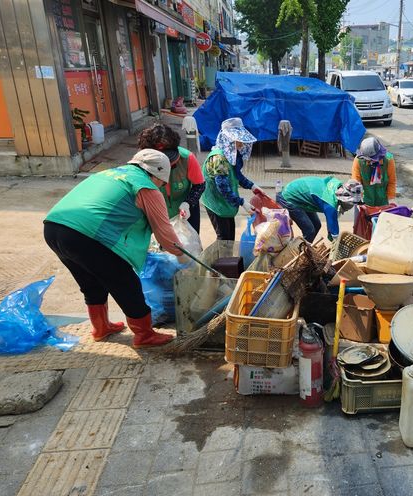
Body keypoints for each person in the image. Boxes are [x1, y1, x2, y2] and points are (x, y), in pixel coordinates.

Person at [43, 150, 187, 348]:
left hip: (53, 228)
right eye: (162, 182)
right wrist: (183, 255)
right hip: (86, 235)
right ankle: (144, 335)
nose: (161, 186)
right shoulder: (146, 187)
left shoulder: (110, 173)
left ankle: (101, 328)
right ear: (158, 174)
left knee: (90, 281)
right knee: (126, 283)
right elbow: (165, 234)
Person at [201, 118, 266, 241]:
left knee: (230, 236)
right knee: (224, 238)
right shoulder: (218, 159)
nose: (241, 144)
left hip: (226, 201)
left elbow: (236, 175)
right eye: (238, 140)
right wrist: (243, 203)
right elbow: (224, 189)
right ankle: (220, 259)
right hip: (215, 201)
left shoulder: (231, 155)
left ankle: (228, 258)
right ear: (228, 139)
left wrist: (252, 186)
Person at [137, 124, 205, 233]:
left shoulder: (187, 158)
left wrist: (188, 203)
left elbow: (200, 185)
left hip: (186, 211)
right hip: (158, 212)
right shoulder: (140, 163)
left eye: (169, 160)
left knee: (189, 245)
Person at [277, 176, 363, 242]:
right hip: (290, 197)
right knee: (310, 231)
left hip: (303, 195)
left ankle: (307, 247)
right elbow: (333, 233)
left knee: (317, 225)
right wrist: (335, 245)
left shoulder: (337, 186)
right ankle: (300, 253)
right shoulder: (330, 204)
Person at [352, 137, 396, 206]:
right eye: (368, 159)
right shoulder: (358, 161)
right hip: (365, 199)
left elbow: (392, 180)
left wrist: (390, 196)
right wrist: (358, 201)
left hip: (382, 199)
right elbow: (356, 182)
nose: (370, 161)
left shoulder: (388, 159)